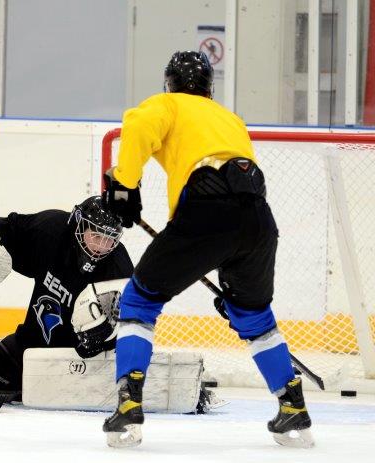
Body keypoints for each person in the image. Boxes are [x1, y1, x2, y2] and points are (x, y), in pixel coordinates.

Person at [101, 51, 313, 448]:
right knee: (252, 314)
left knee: (139, 302)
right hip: (258, 217)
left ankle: (129, 402)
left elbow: (138, 124)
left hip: (206, 208)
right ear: (209, 88)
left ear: (169, 84)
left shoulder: (167, 104)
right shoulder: (229, 118)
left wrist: (125, 184)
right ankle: (292, 407)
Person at [0, 196, 133, 402]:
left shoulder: (119, 270)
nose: (101, 246)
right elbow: (8, 229)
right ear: (79, 224)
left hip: (75, 361)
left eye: (109, 239)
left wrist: (101, 342)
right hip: (31, 344)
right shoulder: (51, 231)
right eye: (96, 236)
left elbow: (129, 326)